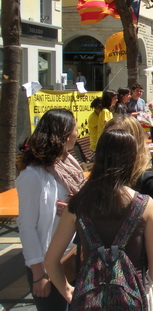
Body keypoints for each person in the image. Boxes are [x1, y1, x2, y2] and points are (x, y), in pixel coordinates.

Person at [44, 129, 153, 308]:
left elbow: (51, 260)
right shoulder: (145, 204)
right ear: (132, 160)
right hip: (132, 298)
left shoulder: (77, 205)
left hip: (90, 299)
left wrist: (68, 290)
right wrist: (150, 287)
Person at [17, 109, 85, 311]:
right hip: (47, 266)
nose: (78, 133)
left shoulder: (68, 163)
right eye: (75, 128)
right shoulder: (33, 175)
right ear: (64, 135)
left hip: (72, 257)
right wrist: (39, 276)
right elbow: (27, 227)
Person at [105, 115, 153, 244]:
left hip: (136, 260)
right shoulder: (101, 179)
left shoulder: (149, 182)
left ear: (135, 143)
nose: (111, 148)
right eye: (107, 140)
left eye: (119, 141)